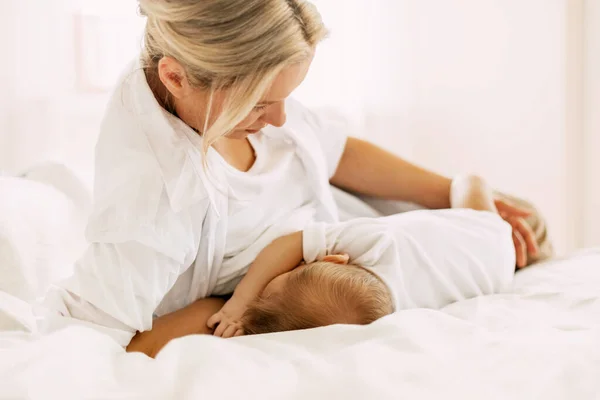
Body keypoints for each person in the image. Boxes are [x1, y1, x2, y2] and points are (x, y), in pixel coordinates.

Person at [36, 0, 552, 358]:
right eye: (261, 103)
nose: (281, 120)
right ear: (175, 77)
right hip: (309, 281)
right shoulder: (155, 204)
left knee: (525, 222)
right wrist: (253, 306)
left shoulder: (223, 93)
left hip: (349, 230)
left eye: (288, 96)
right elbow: (109, 339)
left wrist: (453, 197)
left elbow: (331, 148)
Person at [207, 175, 516, 337]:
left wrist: (239, 303)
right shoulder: (374, 244)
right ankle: (475, 183)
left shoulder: (396, 306)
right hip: (487, 235)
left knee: (469, 188)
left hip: (496, 268)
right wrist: (247, 309)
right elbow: (294, 245)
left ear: (334, 259)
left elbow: (290, 244)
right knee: (468, 183)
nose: (289, 265)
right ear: (333, 259)